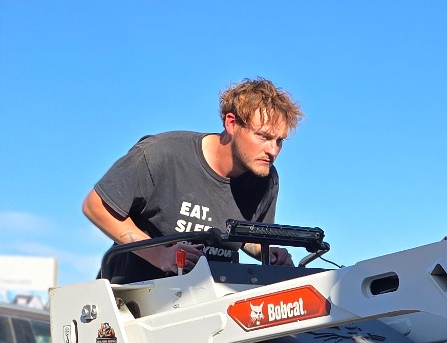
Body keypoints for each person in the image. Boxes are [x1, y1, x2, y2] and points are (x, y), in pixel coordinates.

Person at [81, 77, 303, 277]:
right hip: (132, 296)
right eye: (263, 136)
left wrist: (267, 252)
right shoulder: (162, 154)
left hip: (211, 297)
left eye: (279, 141)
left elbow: (245, 236)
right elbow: (95, 206)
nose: (273, 151)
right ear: (231, 123)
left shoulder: (265, 179)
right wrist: (160, 255)